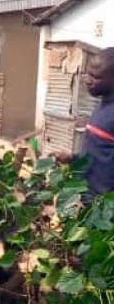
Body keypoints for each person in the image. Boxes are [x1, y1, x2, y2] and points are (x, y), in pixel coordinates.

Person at [53, 48, 114, 197]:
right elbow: (99, 153)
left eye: (96, 77)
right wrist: (73, 157)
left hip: (104, 209)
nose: (87, 80)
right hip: (85, 198)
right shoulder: (101, 106)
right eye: (88, 73)